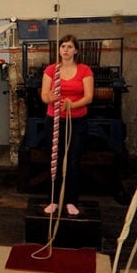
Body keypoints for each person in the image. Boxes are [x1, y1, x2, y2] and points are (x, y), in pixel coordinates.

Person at [39, 34, 93, 216]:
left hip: (77, 121)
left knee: (73, 161)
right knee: (54, 159)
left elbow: (89, 97)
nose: (66, 50)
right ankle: (53, 200)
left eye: (70, 47)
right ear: (59, 50)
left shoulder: (85, 70)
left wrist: (72, 104)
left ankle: (71, 200)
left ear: (76, 50)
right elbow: (44, 96)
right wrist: (51, 98)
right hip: (54, 120)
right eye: (63, 46)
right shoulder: (50, 70)